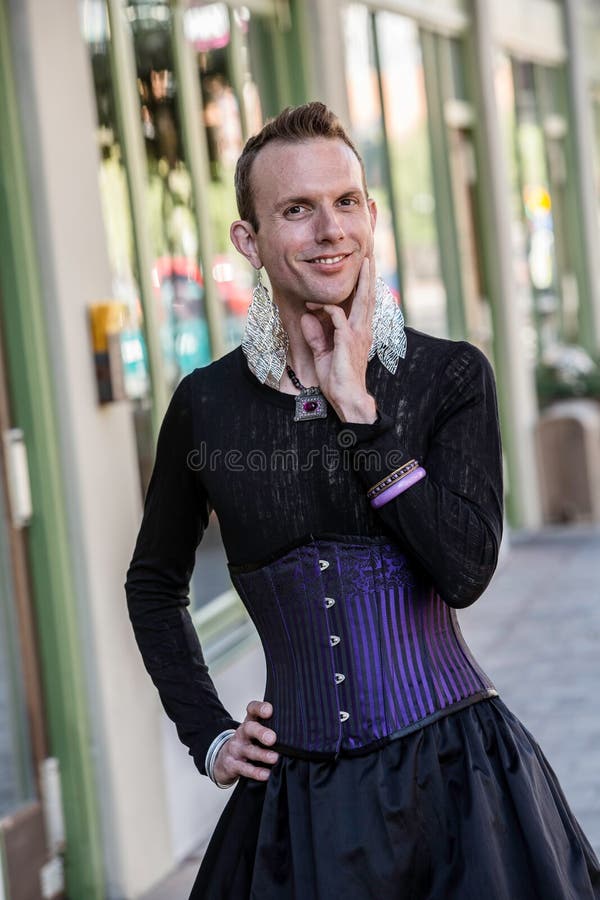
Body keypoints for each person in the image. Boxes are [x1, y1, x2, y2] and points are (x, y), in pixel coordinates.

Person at [125, 102, 600, 899]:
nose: (329, 230)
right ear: (250, 240)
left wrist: (360, 414)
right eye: (297, 210)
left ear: (372, 214)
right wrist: (206, 733)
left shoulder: (445, 378)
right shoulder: (210, 408)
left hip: (462, 789)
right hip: (297, 807)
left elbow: (464, 570)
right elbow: (153, 582)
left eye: (346, 202)